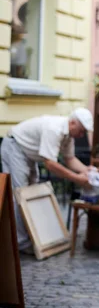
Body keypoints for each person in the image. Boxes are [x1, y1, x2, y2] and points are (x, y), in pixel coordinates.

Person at [0, 108, 94, 252]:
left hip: (28, 154)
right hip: (14, 147)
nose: (81, 135)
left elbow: (70, 159)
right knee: (19, 194)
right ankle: (21, 243)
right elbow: (50, 164)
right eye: (81, 131)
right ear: (73, 122)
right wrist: (77, 178)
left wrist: (86, 170)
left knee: (31, 194)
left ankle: (28, 237)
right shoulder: (54, 129)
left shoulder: (69, 135)